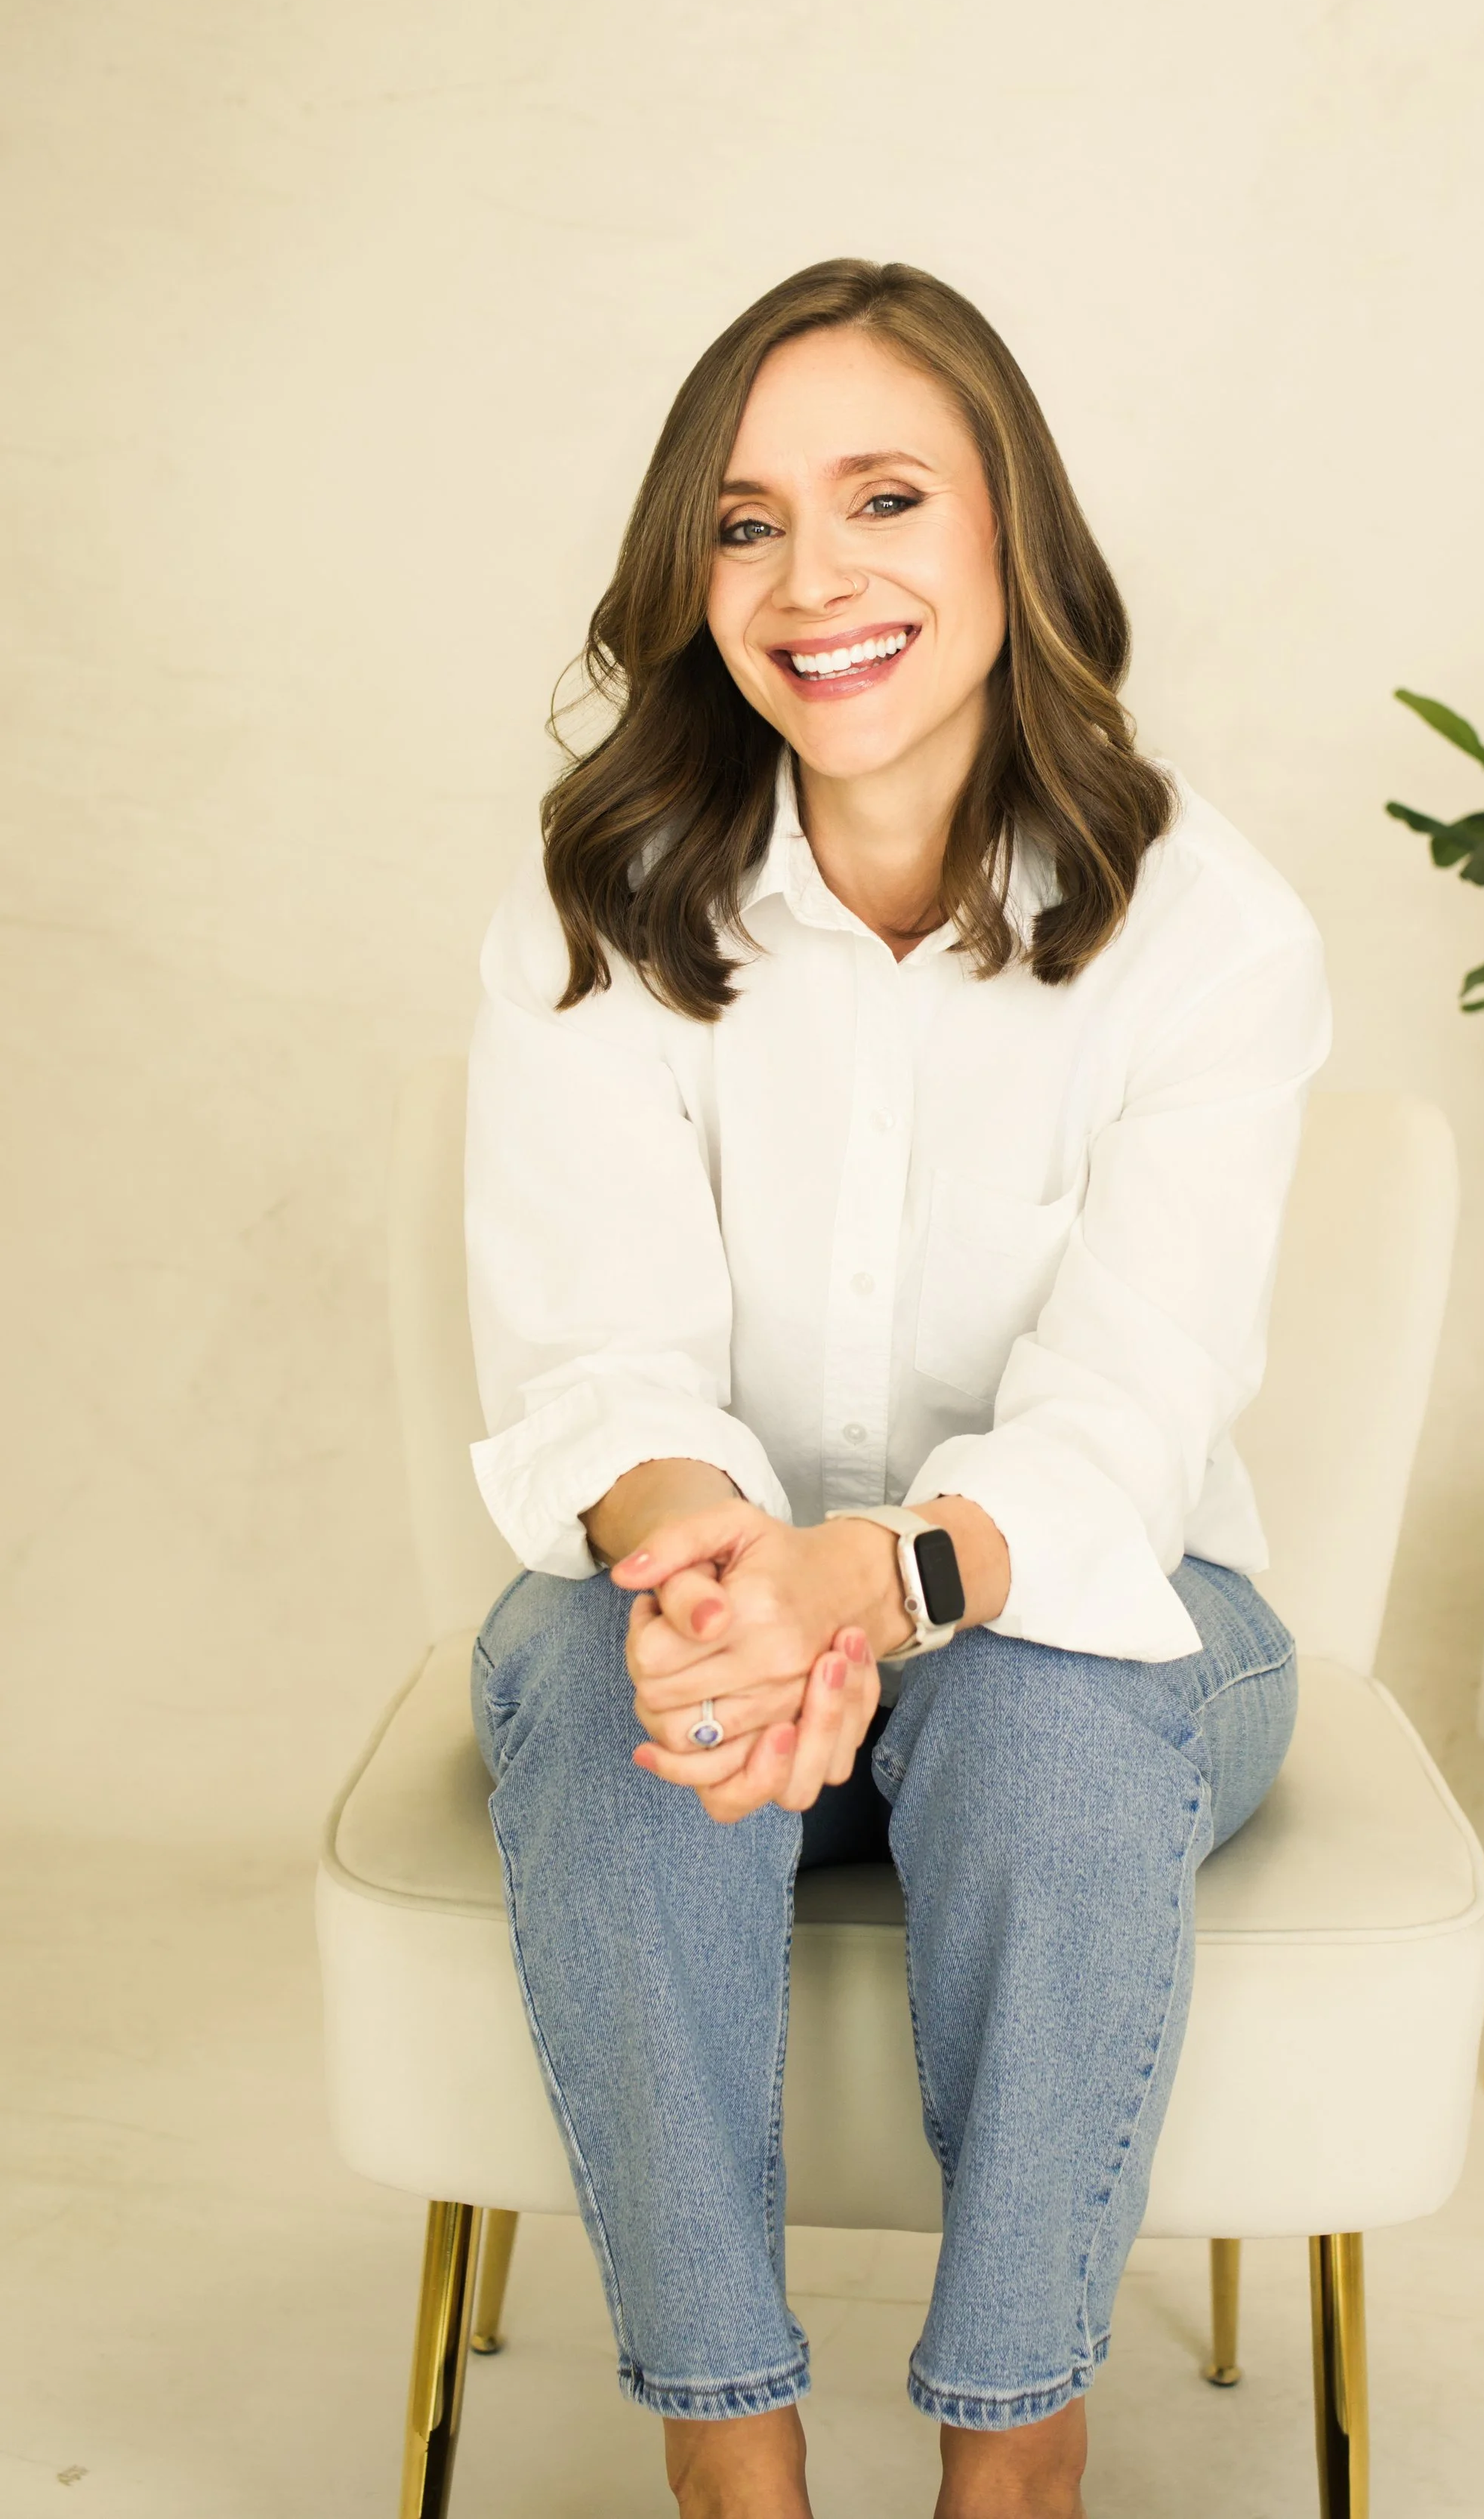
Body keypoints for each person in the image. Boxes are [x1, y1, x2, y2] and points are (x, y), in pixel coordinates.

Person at [464, 258, 1329, 2519]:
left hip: (1111, 1629)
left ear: (1008, 538)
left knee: (1039, 1697)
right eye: (744, 522)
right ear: (692, 575)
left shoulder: (1208, 929)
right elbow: (600, 1355)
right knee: (610, 1662)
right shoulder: (596, 901)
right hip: (743, 1610)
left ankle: (1013, 2455)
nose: (811, 577)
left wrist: (878, 1573)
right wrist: (713, 1581)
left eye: (881, 498)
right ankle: (732, 2468)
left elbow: (1130, 1417)